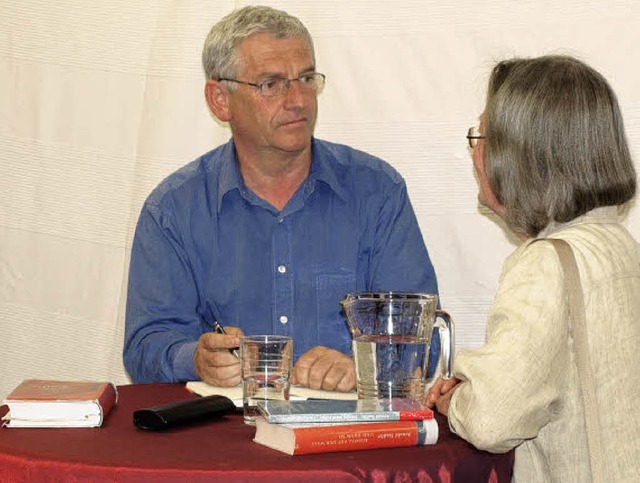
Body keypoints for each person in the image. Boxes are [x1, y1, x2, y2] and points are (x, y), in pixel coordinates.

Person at [123, 6, 438, 392]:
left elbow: (425, 339)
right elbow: (145, 347)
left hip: (347, 442)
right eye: (271, 84)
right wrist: (196, 359)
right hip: (227, 441)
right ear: (220, 99)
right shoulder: (173, 210)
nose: (298, 100)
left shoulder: (376, 193)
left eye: (306, 78)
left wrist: (365, 367)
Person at [426, 55, 640, 481]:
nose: (476, 153)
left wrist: (458, 400)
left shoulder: (547, 263)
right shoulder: (620, 246)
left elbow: (493, 420)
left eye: (482, 136)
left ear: (519, 155)